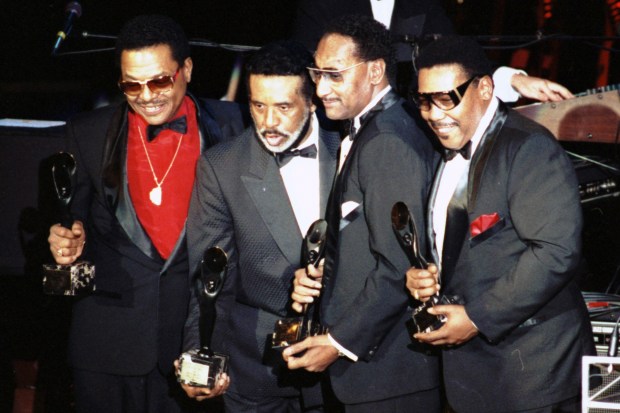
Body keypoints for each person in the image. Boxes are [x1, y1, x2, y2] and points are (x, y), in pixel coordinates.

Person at [46, 14, 247, 413]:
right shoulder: (86, 132)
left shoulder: (236, 125)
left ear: (186, 70)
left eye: (159, 81)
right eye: (131, 84)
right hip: (106, 346)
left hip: (194, 346)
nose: (146, 95)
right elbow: (63, 224)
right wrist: (62, 245)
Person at [406, 36, 596, 412]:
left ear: (485, 89)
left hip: (533, 377)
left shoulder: (529, 147)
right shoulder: (444, 151)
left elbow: (556, 252)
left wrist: (477, 317)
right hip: (474, 377)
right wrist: (425, 274)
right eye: (425, 100)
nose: (433, 113)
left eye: (447, 98)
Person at [283, 15, 440, 412]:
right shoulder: (370, 129)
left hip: (387, 379)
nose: (319, 90)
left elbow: (397, 267)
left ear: (375, 71)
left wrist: (336, 344)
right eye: (316, 74)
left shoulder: (388, 140)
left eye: (334, 75)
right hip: (371, 376)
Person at [182, 40, 340, 412]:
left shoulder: (353, 147)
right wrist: (199, 359)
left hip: (344, 369)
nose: (268, 122)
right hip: (255, 374)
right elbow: (208, 281)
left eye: (283, 107)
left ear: (313, 98)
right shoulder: (221, 168)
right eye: (258, 106)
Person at [292, 0, 574, 103]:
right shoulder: (321, 5)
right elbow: (304, 73)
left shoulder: (422, 4)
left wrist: (513, 80)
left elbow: (454, 53)